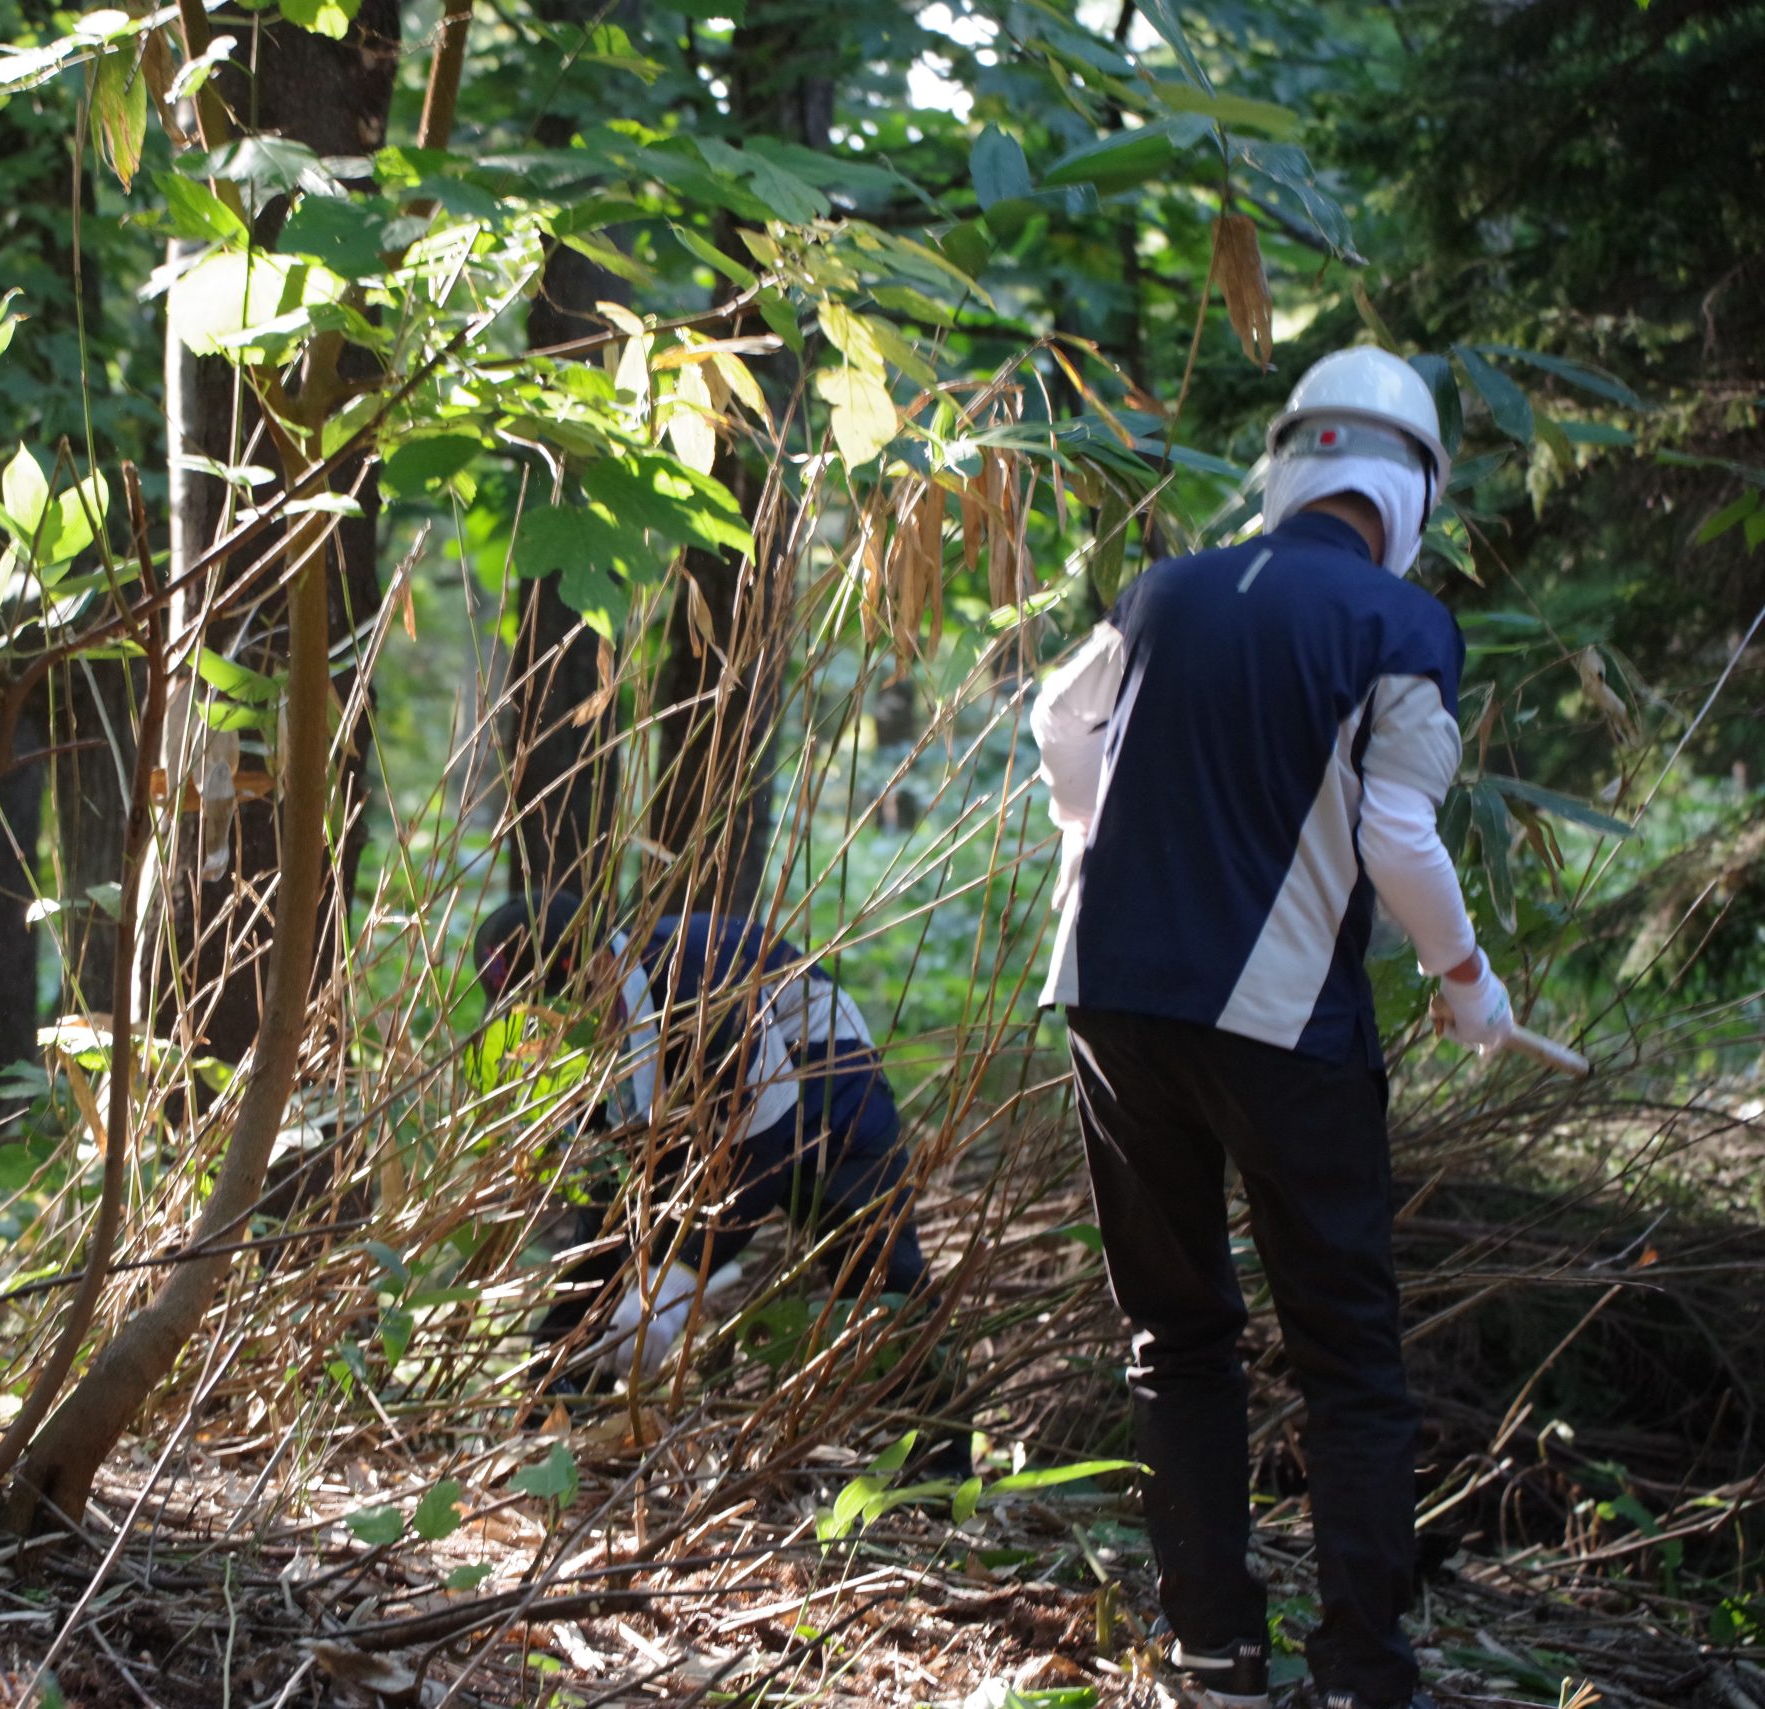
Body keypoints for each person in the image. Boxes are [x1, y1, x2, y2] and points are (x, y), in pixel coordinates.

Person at [1030, 346, 1512, 1709]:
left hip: (1111, 997)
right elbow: (1399, 832)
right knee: (1346, 1350)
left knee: (1175, 1335)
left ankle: (1212, 1657)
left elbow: (1056, 723)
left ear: (1292, 459)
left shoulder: (1167, 589)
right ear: (1411, 487)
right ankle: (1361, 1671)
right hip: (1282, 1020)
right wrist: (1465, 977)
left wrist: (1095, 835)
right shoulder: (1398, 622)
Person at [473, 889, 927, 1392]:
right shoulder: (589, 1038)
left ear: (600, 967)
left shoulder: (701, 985)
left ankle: (937, 1445)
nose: (553, 1031)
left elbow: (761, 1159)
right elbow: (615, 1196)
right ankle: (562, 1405)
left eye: (563, 1007)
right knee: (611, 1235)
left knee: (877, 1269)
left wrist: (670, 1291)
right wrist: (561, 1349)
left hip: (827, 1085)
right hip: (699, 1106)